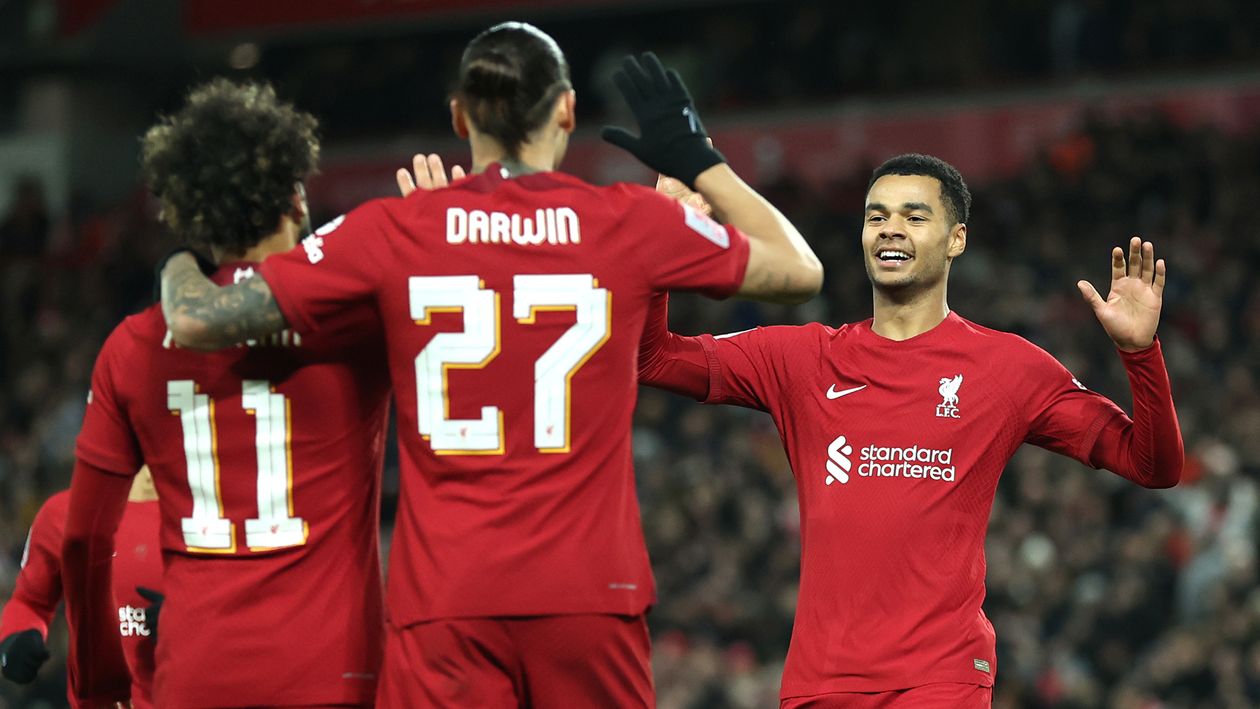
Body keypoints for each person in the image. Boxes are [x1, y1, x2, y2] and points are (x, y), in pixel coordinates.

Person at [157, 22, 822, 707]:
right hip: (589, 593)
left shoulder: (394, 228)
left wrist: (179, 255)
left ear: (459, 116)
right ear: (567, 110)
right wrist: (696, 158)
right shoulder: (628, 221)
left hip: (446, 600)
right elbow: (800, 269)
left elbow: (200, 319)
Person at [636, 153, 1183, 708]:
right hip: (820, 683)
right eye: (876, 216)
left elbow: (1152, 466)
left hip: (940, 680)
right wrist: (657, 240)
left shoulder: (1009, 368)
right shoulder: (801, 360)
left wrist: (1140, 354)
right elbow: (650, 358)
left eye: (914, 217)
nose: (890, 228)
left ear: (956, 240)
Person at [61, 79, 392, 708]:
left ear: (193, 215)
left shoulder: (132, 346)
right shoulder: (355, 321)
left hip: (195, 675)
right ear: (296, 197)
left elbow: (84, 540)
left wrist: (98, 680)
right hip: (332, 674)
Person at [0, 468, 161, 709]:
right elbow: (30, 601)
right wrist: (15, 639)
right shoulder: (62, 514)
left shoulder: (207, 521)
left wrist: (190, 621)